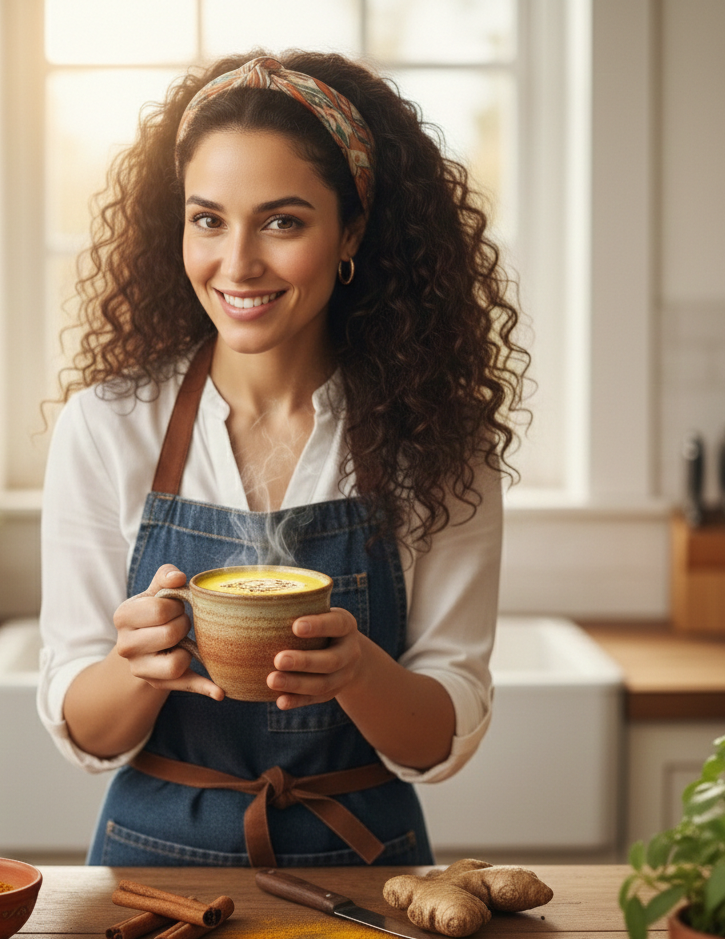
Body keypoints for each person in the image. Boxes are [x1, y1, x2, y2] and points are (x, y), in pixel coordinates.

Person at [37, 50, 528, 868]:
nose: (237, 264)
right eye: (207, 219)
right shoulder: (106, 426)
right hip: (149, 865)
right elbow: (83, 728)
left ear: (352, 232)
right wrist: (136, 668)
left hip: (366, 871)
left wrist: (358, 671)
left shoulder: (440, 439)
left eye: (282, 221)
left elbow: (444, 734)